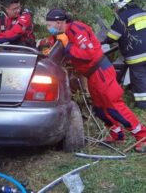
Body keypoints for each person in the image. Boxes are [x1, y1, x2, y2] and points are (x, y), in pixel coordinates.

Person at [45, 8, 146, 152]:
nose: (49, 28)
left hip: (101, 72)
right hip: (93, 75)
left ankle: (143, 136)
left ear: (59, 22)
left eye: (50, 25)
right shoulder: (65, 33)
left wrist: (68, 46)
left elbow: (87, 53)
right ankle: (117, 135)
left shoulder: (76, 29)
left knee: (114, 106)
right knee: (100, 109)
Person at [104, 0, 146, 110]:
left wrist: (104, 41)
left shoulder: (122, 18)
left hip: (137, 57)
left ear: (119, 3)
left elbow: (112, 37)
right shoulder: (143, 12)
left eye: (114, 6)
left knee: (140, 80)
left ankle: (143, 106)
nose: (114, 9)